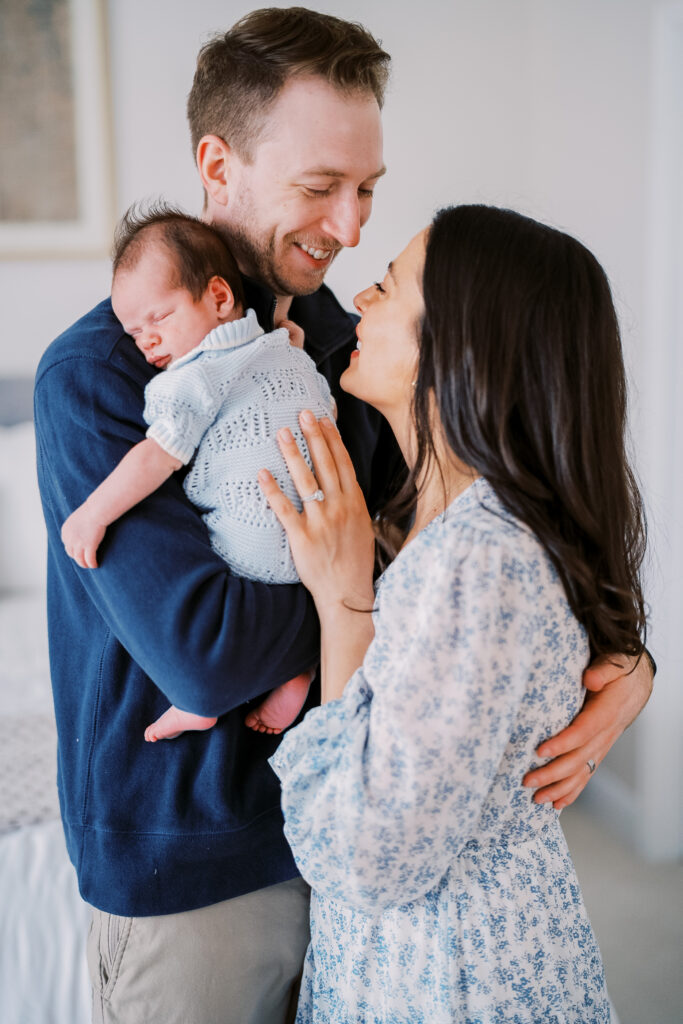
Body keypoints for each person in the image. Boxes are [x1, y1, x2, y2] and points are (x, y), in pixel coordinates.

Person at [33, 8, 653, 1024]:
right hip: (203, 873)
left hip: (372, 855)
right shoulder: (105, 373)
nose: (352, 226)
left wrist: (619, 652)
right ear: (216, 164)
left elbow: (480, 530)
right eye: (319, 187)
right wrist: (357, 585)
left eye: (366, 188)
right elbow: (208, 654)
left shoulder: (338, 344)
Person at [262, 204, 647, 1022]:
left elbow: (369, 860)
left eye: (390, 287)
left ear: (459, 348)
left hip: (446, 976)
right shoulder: (454, 533)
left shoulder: (478, 559)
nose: (362, 296)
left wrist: (343, 600)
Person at [61, 204, 333, 739]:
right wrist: (296, 353)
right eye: (134, 332)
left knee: (208, 536)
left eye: (158, 319)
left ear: (219, 296)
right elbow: (324, 412)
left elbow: (156, 457)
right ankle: (301, 669)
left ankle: (200, 699)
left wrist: (93, 512)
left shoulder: (193, 377)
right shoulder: (286, 350)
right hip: (317, 549)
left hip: (248, 545)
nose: (146, 343)